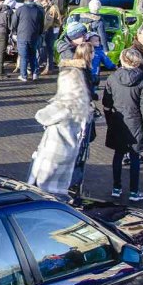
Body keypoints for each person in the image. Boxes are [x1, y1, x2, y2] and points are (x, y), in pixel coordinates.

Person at [27, 66, 94, 196]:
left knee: (42, 191)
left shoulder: (63, 106)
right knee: (59, 188)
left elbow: (41, 116)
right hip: (70, 150)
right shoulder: (82, 104)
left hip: (53, 151)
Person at [102, 47, 143, 202]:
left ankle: (116, 188)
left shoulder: (112, 78)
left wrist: (110, 120)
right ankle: (134, 191)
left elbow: (106, 102)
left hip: (118, 121)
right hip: (135, 121)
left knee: (118, 154)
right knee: (134, 157)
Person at [12, 0, 45, 81]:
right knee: (33, 55)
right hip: (34, 35)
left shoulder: (20, 9)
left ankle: (24, 75)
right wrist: (40, 33)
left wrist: (14, 32)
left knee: (23, 56)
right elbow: (42, 24)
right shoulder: (38, 10)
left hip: (22, 35)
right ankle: (35, 73)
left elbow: (14, 22)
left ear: (25, 1)